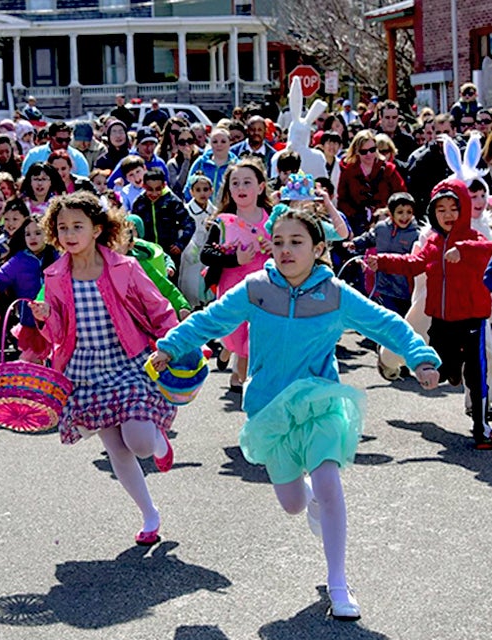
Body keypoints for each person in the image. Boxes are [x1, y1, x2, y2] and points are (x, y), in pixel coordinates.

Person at [150, 206, 441, 621]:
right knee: (291, 503)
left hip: (319, 402)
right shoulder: (256, 289)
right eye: (280, 242)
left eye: (297, 242)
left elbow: (387, 325)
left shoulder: (335, 294)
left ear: (319, 247)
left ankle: (339, 583)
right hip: (268, 408)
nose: (286, 250)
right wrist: (170, 346)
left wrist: (420, 357)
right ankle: (311, 502)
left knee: (327, 479)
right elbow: (208, 322)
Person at [30, 192, 179, 545]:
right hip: (84, 369)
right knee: (117, 448)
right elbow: (57, 335)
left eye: (78, 226)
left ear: (97, 229)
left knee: (140, 442)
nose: (69, 233)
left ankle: (160, 446)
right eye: (62, 226)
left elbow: (159, 309)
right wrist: (46, 319)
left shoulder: (124, 267)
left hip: (128, 360)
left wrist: (173, 344)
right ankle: (149, 515)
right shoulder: (53, 275)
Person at [369, 178, 492, 449]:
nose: (448, 214)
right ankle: (453, 368)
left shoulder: (474, 237)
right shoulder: (433, 241)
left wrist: (464, 250)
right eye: (441, 209)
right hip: (441, 320)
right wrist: (383, 262)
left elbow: (487, 250)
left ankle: (482, 430)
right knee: (442, 368)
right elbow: (414, 263)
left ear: (463, 209)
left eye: (453, 208)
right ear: (433, 213)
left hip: (473, 318)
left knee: (477, 372)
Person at [199, 160, 273, 391]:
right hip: (232, 284)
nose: (241, 188)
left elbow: (290, 245)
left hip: (264, 284)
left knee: (258, 333)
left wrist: (277, 248)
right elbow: (206, 254)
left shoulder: (272, 218)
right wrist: (234, 259)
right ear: (229, 189)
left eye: (247, 183)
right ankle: (230, 354)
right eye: (235, 183)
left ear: (260, 187)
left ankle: (244, 379)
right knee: (236, 332)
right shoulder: (223, 222)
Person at [0, 214, 58, 363]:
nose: (32, 238)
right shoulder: (19, 260)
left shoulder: (58, 256)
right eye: (28, 234)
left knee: (57, 366)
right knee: (31, 367)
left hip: (57, 322)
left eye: (38, 233)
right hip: (31, 324)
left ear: (48, 234)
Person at [348, 192, 418, 316]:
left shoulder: (415, 234)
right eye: (400, 212)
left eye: (409, 212)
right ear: (391, 213)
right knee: (389, 317)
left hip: (404, 288)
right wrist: (355, 243)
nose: (405, 216)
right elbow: (369, 238)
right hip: (383, 284)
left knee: (404, 318)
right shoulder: (382, 228)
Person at [337, 130, 406, 237]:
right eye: (364, 151)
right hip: (357, 224)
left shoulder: (388, 170)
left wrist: (388, 212)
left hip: (386, 222)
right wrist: (355, 215)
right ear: (356, 151)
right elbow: (342, 198)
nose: (369, 154)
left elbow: (402, 195)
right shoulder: (348, 171)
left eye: (372, 150)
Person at [129, 167, 195, 279]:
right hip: (147, 253)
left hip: (169, 253)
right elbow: (133, 227)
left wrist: (180, 244)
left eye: (158, 189)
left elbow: (189, 223)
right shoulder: (139, 203)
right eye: (150, 189)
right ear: (144, 186)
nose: (154, 193)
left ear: (164, 185)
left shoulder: (172, 202)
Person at [179, 172, 217, 307]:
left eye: (206, 189)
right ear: (191, 192)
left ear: (211, 191)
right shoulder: (185, 211)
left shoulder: (215, 212)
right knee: (190, 284)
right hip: (191, 254)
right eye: (198, 190)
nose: (202, 193)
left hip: (208, 254)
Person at [184, 127, 237, 203]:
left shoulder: (237, 165)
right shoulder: (200, 162)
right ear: (210, 143)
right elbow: (188, 188)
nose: (219, 144)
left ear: (230, 143)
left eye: (223, 141)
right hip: (202, 211)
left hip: (228, 211)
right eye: (215, 142)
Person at [21, 122, 89, 177]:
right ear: (50, 138)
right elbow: (25, 178)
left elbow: (84, 180)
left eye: (67, 140)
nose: (64, 143)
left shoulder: (78, 157)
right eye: (60, 140)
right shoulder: (34, 155)